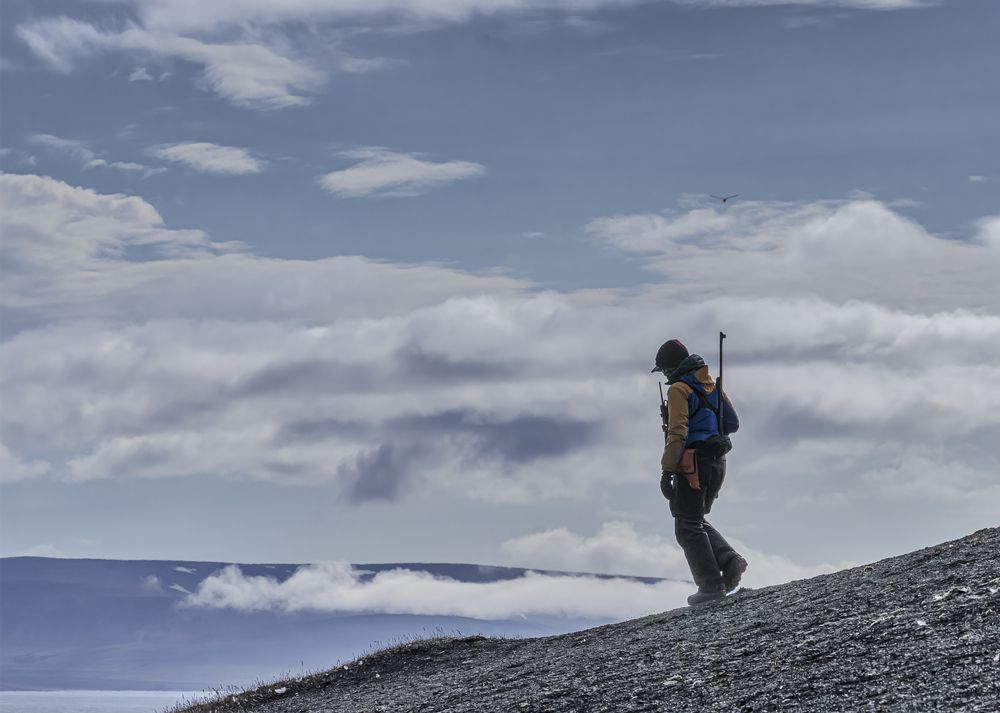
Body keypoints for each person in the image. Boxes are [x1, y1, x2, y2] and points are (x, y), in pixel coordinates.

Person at [651, 338, 748, 606]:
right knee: (693, 517)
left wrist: (667, 471)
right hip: (719, 462)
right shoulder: (711, 385)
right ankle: (729, 561)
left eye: (664, 370)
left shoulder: (679, 389)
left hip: (693, 464)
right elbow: (732, 424)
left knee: (686, 525)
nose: (665, 376)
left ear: (671, 368)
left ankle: (710, 586)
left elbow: (677, 433)